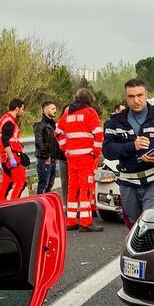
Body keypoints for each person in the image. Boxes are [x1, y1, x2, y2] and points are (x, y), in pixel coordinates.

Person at [103, 78, 154, 228]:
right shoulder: (115, 121)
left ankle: (152, 251)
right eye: (131, 97)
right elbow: (108, 151)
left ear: (146, 94)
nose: (136, 100)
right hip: (128, 180)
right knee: (133, 224)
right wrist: (132, 146)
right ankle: (136, 250)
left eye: (140, 95)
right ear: (126, 97)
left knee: (150, 219)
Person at [55, 89, 104, 232]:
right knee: (86, 189)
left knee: (73, 188)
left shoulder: (68, 113)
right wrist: (95, 152)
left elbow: (58, 132)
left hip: (72, 157)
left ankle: (71, 221)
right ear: (89, 99)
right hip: (86, 158)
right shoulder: (90, 112)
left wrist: (66, 149)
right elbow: (98, 134)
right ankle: (86, 222)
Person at [0, 98, 29, 202]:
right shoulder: (9, 122)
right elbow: (5, 141)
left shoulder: (5, 119)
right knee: (21, 181)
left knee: (7, 181)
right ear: (17, 108)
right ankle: (14, 204)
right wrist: (11, 157)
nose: (22, 112)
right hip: (11, 155)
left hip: (5, 156)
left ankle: (1, 204)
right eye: (22, 109)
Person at [33, 100, 65, 194]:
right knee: (43, 183)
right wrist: (46, 156)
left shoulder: (53, 124)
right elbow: (39, 143)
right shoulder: (40, 125)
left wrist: (57, 156)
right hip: (44, 159)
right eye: (52, 108)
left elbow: (56, 142)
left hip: (53, 159)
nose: (55, 110)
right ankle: (39, 205)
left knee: (50, 184)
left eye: (55, 108)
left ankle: (46, 205)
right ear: (45, 110)